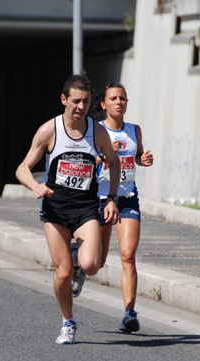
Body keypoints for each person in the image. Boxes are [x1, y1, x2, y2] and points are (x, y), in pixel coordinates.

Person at [15, 75, 121, 345]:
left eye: (85, 101)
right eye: (75, 101)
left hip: (85, 208)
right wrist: (35, 186)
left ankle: (78, 258)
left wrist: (111, 198)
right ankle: (68, 322)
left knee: (91, 266)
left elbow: (114, 162)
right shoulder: (50, 130)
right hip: (55, 209)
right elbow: (22, 169)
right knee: (62, 273)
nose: (80, 106)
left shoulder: (97, 131)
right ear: (64, 100)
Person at [94, 82, 154, 333]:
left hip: (126, 197)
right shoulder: (96, 130)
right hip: (98, 197)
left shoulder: (134, 130)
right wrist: (105, 154)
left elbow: (137, 155)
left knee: (128, 256)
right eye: (114, 98)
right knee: (97, 262)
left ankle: (130, 313)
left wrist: (143, 159)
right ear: (103, 104)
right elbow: (86, 161)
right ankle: (77, 266)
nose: (119, 102)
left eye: (123, 99)